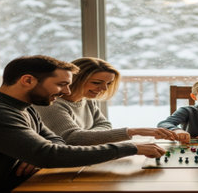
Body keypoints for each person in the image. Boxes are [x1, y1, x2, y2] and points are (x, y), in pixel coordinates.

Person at [0, 55, 167, 193]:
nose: (67, 92)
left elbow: (55, 141)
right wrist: (131, 147)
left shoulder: (25, 106)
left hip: (29, 185)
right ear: (27, 80)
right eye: (61, 84)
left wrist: (35, 154)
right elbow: (51, 152)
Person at [34, 57, 177, 146]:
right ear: (75, 79)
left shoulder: (87, 100)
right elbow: (72, 138)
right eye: (97, 82)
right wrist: (132, 131)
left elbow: (104, 125)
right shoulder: (53, 104)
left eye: (108, 84)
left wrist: (88, 136)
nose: (103, 88)